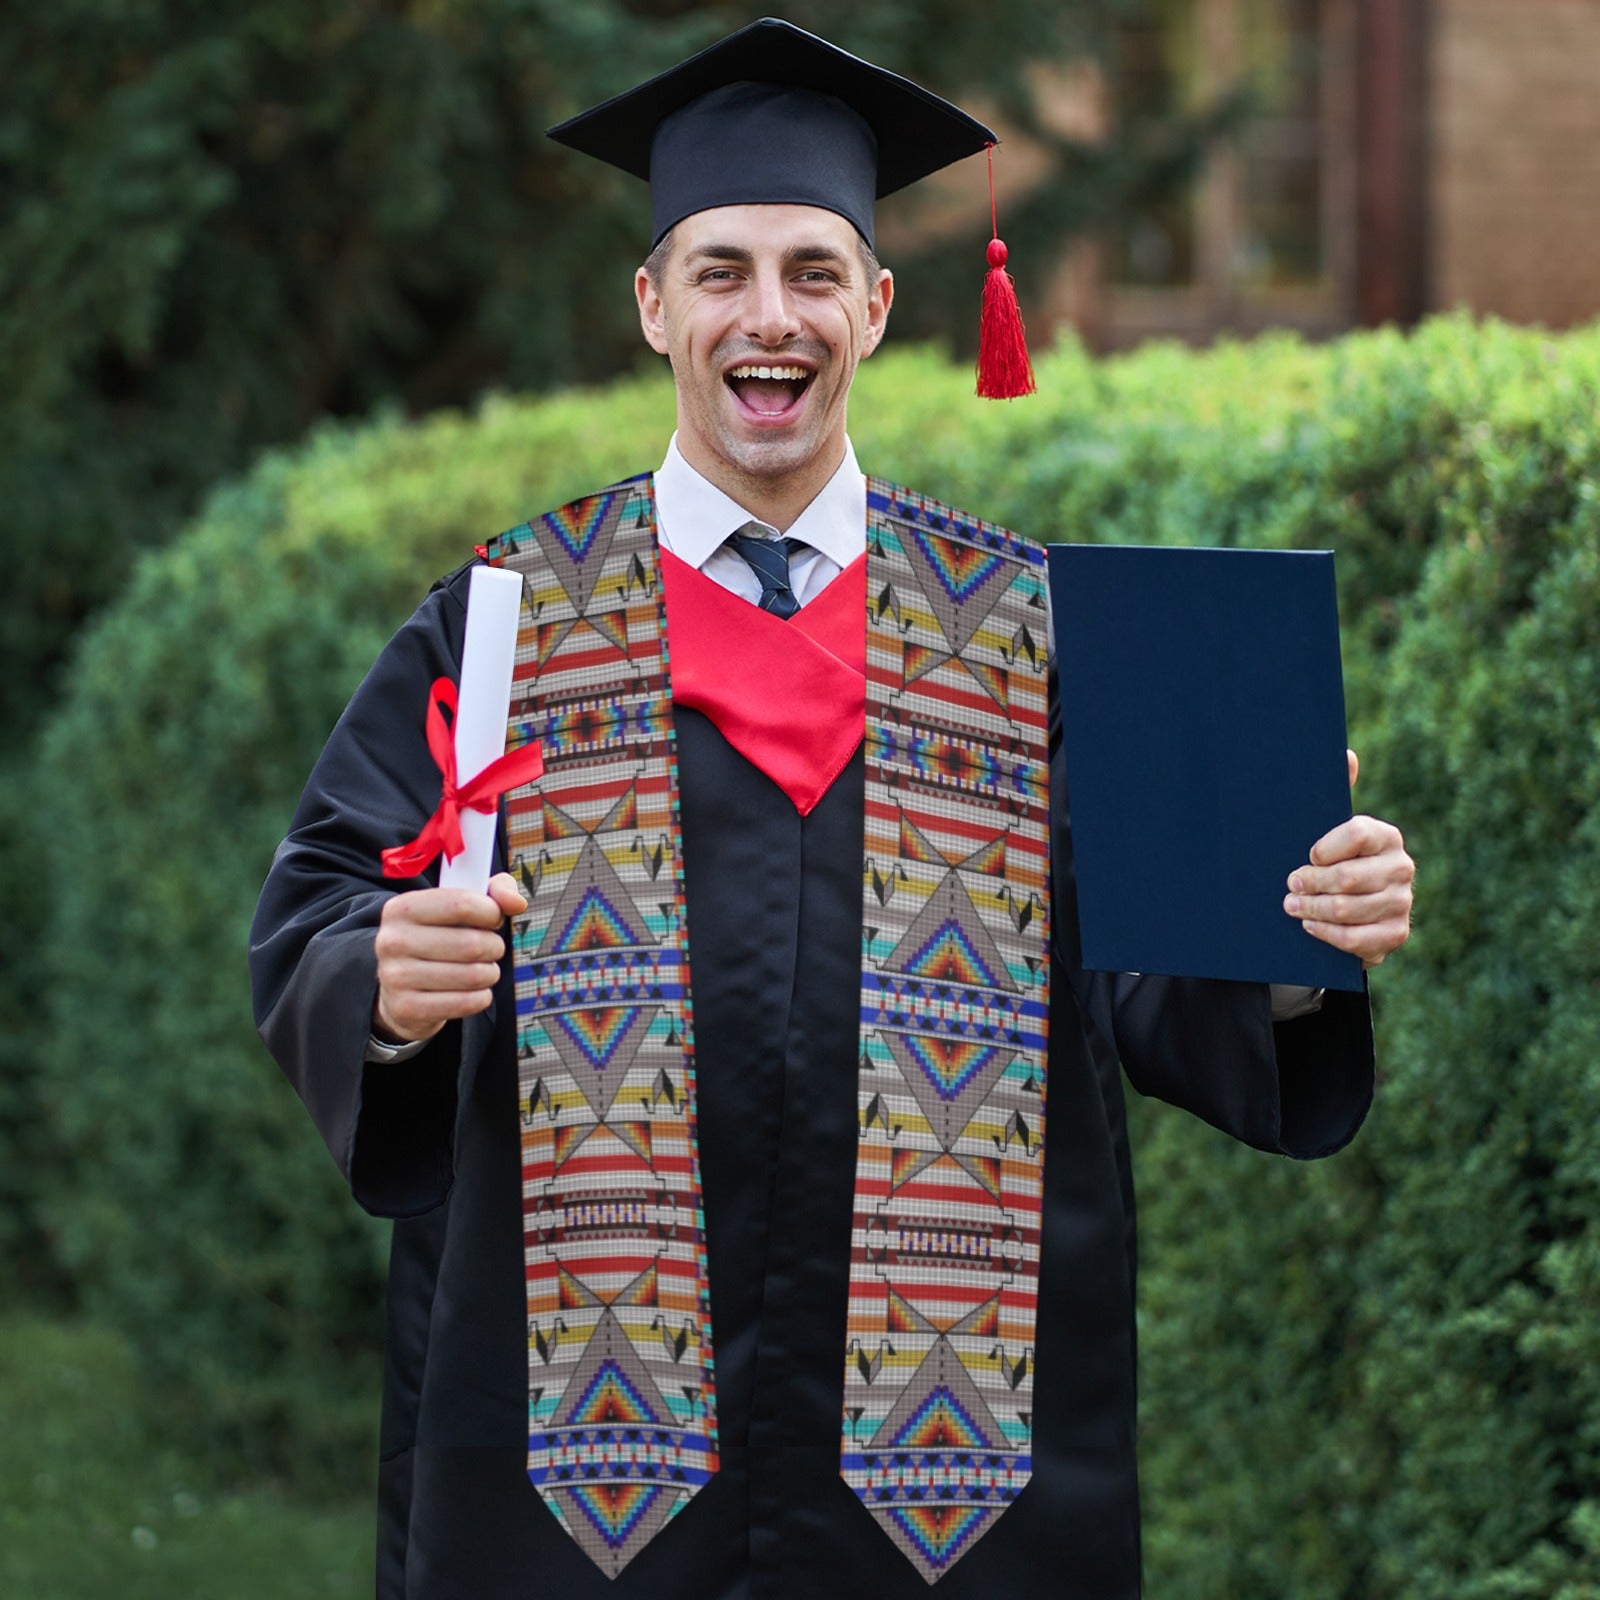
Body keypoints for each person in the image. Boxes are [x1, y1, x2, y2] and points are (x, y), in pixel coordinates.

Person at [249, 19, 1414, 1600]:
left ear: (876, 305)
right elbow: (323, 903)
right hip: (580, 1478)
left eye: (812, 270)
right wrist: (380, 983)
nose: (768, 316)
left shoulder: (1032, 631)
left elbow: (1155, 980)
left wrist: (1292, 934)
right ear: (654, 305)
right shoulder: (509, 621)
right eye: (721, 270)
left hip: (956, 1480)